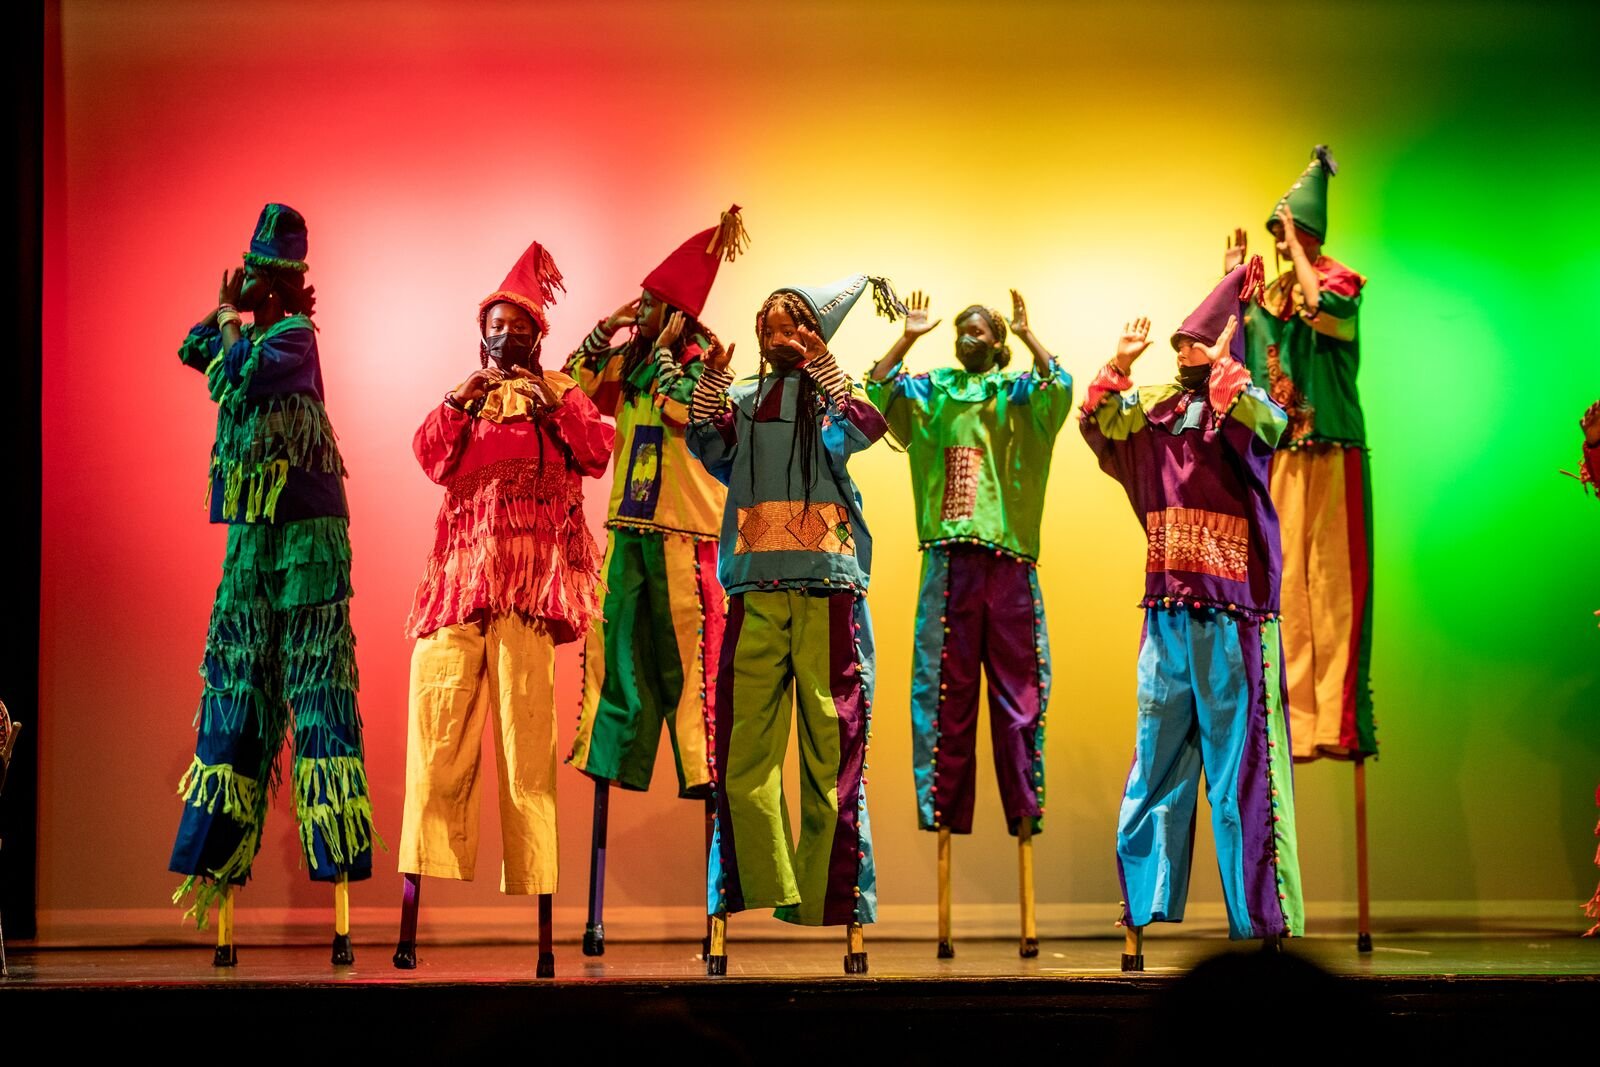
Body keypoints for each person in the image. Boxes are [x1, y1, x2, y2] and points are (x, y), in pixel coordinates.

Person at [394, 238, 613, 977]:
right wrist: (460, 399)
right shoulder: (467, 396)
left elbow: (597, 451)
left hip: (525, 588)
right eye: (494, 324)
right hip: (458, 587)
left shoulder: (561, 395)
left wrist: (557, 397)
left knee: (527, 758)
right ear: (478, 332)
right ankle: (418, 899)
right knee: (435, 742)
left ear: (538, 336)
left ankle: (543, 923)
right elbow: (428, 456)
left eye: (518, 327)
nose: (504, 336)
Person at [1079, 257, 1304, 968]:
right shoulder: (1161, 418)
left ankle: (1262, 923)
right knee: (1156, 767)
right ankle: (1138, 915)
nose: (1182, 356)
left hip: (1236, 618)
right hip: (1170, 613)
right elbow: (1103, 426)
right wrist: (1117, 366)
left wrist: (1229, 370)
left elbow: (1273, 427)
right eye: (1178, 346)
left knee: (1243, 776)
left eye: (1196, 345)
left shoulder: (1243, 412)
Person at [168, 204, 376, 966]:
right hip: (256, 541)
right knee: (239, 687)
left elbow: (236, 375)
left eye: (258, 274)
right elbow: (197, 349)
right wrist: (225, 310)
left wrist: (237, 317)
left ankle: (342, 902)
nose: (245, 285)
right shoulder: (250, 333)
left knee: (319, 697)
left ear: (281, 284)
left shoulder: (293, 340)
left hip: (309, 542)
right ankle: (219, 873)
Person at [687, 273, 903, 975]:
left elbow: (870, 427)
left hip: (827, 591)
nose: (778, 335)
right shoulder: (746, 404)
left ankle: (829, 899)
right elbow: (707, 443)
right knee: (744, 753)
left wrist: (826, 369)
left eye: (793, 325)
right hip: (754, 586)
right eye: (769, 325)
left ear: (815, 335)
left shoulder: (830, 407)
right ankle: (750, 885)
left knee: (830, 750)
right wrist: (712, 386)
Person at [864, 289, 1072, 957]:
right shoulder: (933, 392)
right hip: (949, 564)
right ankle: (945, 851)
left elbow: (1060, 387)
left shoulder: (1018, 395)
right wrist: (909, 335)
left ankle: (1026, 846)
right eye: (962, 331)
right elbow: (878, 388)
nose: (967, 338)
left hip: (1008, 564)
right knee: (944, 705)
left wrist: (1034, 335)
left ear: (999, 340)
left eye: (980, 330)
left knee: (1018, 709)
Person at [564, 207, 747, 955]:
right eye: (637, 302)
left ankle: (713, 907)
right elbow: (577, 394)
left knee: (695, 687)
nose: (639, 312)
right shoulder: (633, 354)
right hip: (629, 536)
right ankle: (596, 908)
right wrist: (601, 334)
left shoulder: (705, 361)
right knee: (616, 671)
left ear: (677, 309)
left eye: (650, 303)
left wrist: (671, 367)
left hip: (684, 537)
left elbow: (696, 417)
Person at [1230, 146, 1374, 762]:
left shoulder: (1336, 281)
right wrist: (1233, 280)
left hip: (1334, 444)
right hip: (1288, 449)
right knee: (1287, 582)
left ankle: (1336, 721)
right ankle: (1294, 721)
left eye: (1288, 234)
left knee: (1335, 584)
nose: (1280, 245)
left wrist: (1296, 243)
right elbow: (1240, 345)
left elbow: (1325, 312)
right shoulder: (1277, 295)